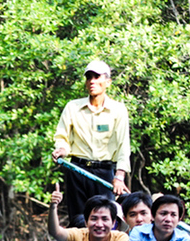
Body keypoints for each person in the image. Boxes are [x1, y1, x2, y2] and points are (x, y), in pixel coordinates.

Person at [52, 60, 131, 226]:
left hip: (104, 172)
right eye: (88, 77)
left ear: (107, 82)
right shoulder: (72, 107)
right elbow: (62, 138)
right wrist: (61, 150)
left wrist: (120, 176)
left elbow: (124, 145)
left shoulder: (118, 110)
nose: (92, 81)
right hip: (77, 170)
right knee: (79, 220)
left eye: (96, 77)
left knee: (104, 220)